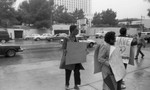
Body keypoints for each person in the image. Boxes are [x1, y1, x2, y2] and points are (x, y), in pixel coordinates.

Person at [59, 25, 84, 90]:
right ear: (72, 30)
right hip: (69, 59)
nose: (78, 31)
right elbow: (63, 48)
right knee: (68, 72)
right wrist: (67, 51)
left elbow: (77, 47)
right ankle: (67, 85)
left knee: (77, 73)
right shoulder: (66, 38)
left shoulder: (76, 38)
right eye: (76, 30)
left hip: (76, 59)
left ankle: (76, 85)